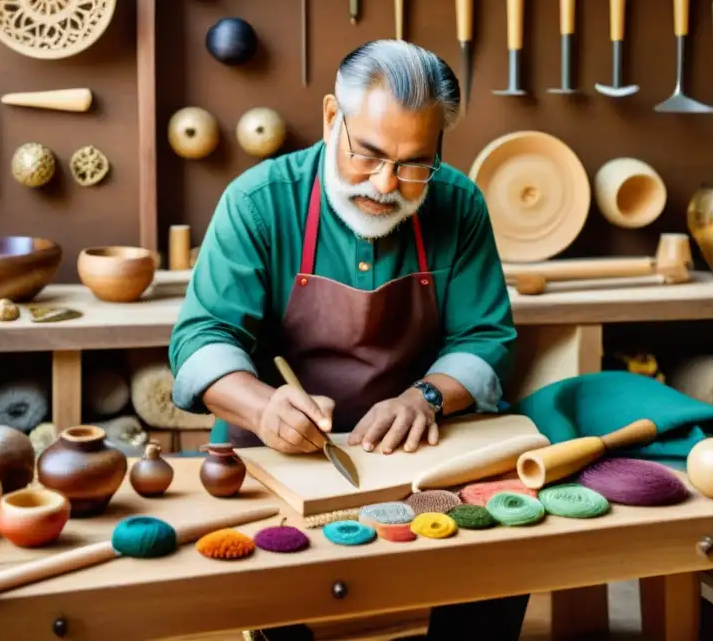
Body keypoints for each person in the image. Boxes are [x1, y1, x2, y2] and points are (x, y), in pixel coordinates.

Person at [169, 39, 528, 640]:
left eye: (415, 163)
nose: (386, 183)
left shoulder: (458, 204)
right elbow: (202, 336)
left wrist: (426, 398)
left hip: (419, 453)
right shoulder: (259, 202)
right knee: (270, 581)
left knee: (501, 551)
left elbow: (486, 335)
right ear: (334, 117)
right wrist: (262, 407)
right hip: (278, 451)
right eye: (369, 154)